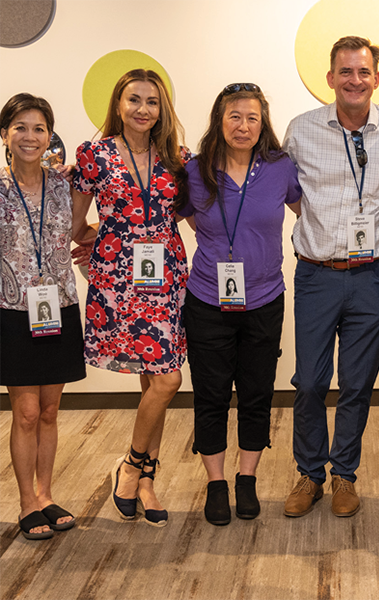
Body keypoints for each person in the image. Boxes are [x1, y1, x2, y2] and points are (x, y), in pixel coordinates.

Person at [282, 36, 379, 518]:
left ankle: (343, 476)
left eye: (363, 72)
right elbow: (291, 194)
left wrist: (371, 233)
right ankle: (308, 474)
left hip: (372, 275)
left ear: (376, 78)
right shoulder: (300, 130)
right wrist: (321, 230)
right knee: (310, 382)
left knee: (357, 384)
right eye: (345, 72)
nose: (354, 80)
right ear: (330, 78)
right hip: (316, 275)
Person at [175, 82, 301, 526]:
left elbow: (310, 212)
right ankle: (216, 482)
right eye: (234, 116)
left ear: (262, 121)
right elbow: (166, 215)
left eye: (252, 117)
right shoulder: (194, 170)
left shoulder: (280, 168)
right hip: (208, 298)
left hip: (265, 298)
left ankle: (246, 479)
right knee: (210, 395)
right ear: (219, 120)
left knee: (256, 393)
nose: (243, 126)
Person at [72, 69, 189, 527]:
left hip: (165, 278)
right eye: (134, 99)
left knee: (163, 380)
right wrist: (110, 236)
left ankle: (135, 467)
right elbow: (77, 225)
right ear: (118, 105)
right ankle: (144, 478)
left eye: (152, 101)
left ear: (162, 109)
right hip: (120, 279)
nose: (143, 109)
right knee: (157, 380)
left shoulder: (177, 158)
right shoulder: (93, 155)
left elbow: (186, 214)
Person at [0, 93, 89, 539]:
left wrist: (99, 244)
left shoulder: (65, 185)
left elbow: (78, 230)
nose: (30, 136)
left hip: (59, 307)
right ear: (5, 136)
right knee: (27, 412)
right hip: (13, 313)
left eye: (39, 129)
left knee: (51, 410)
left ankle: (46, 495)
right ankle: (24, 503)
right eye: (20, 127)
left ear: (50, 136)